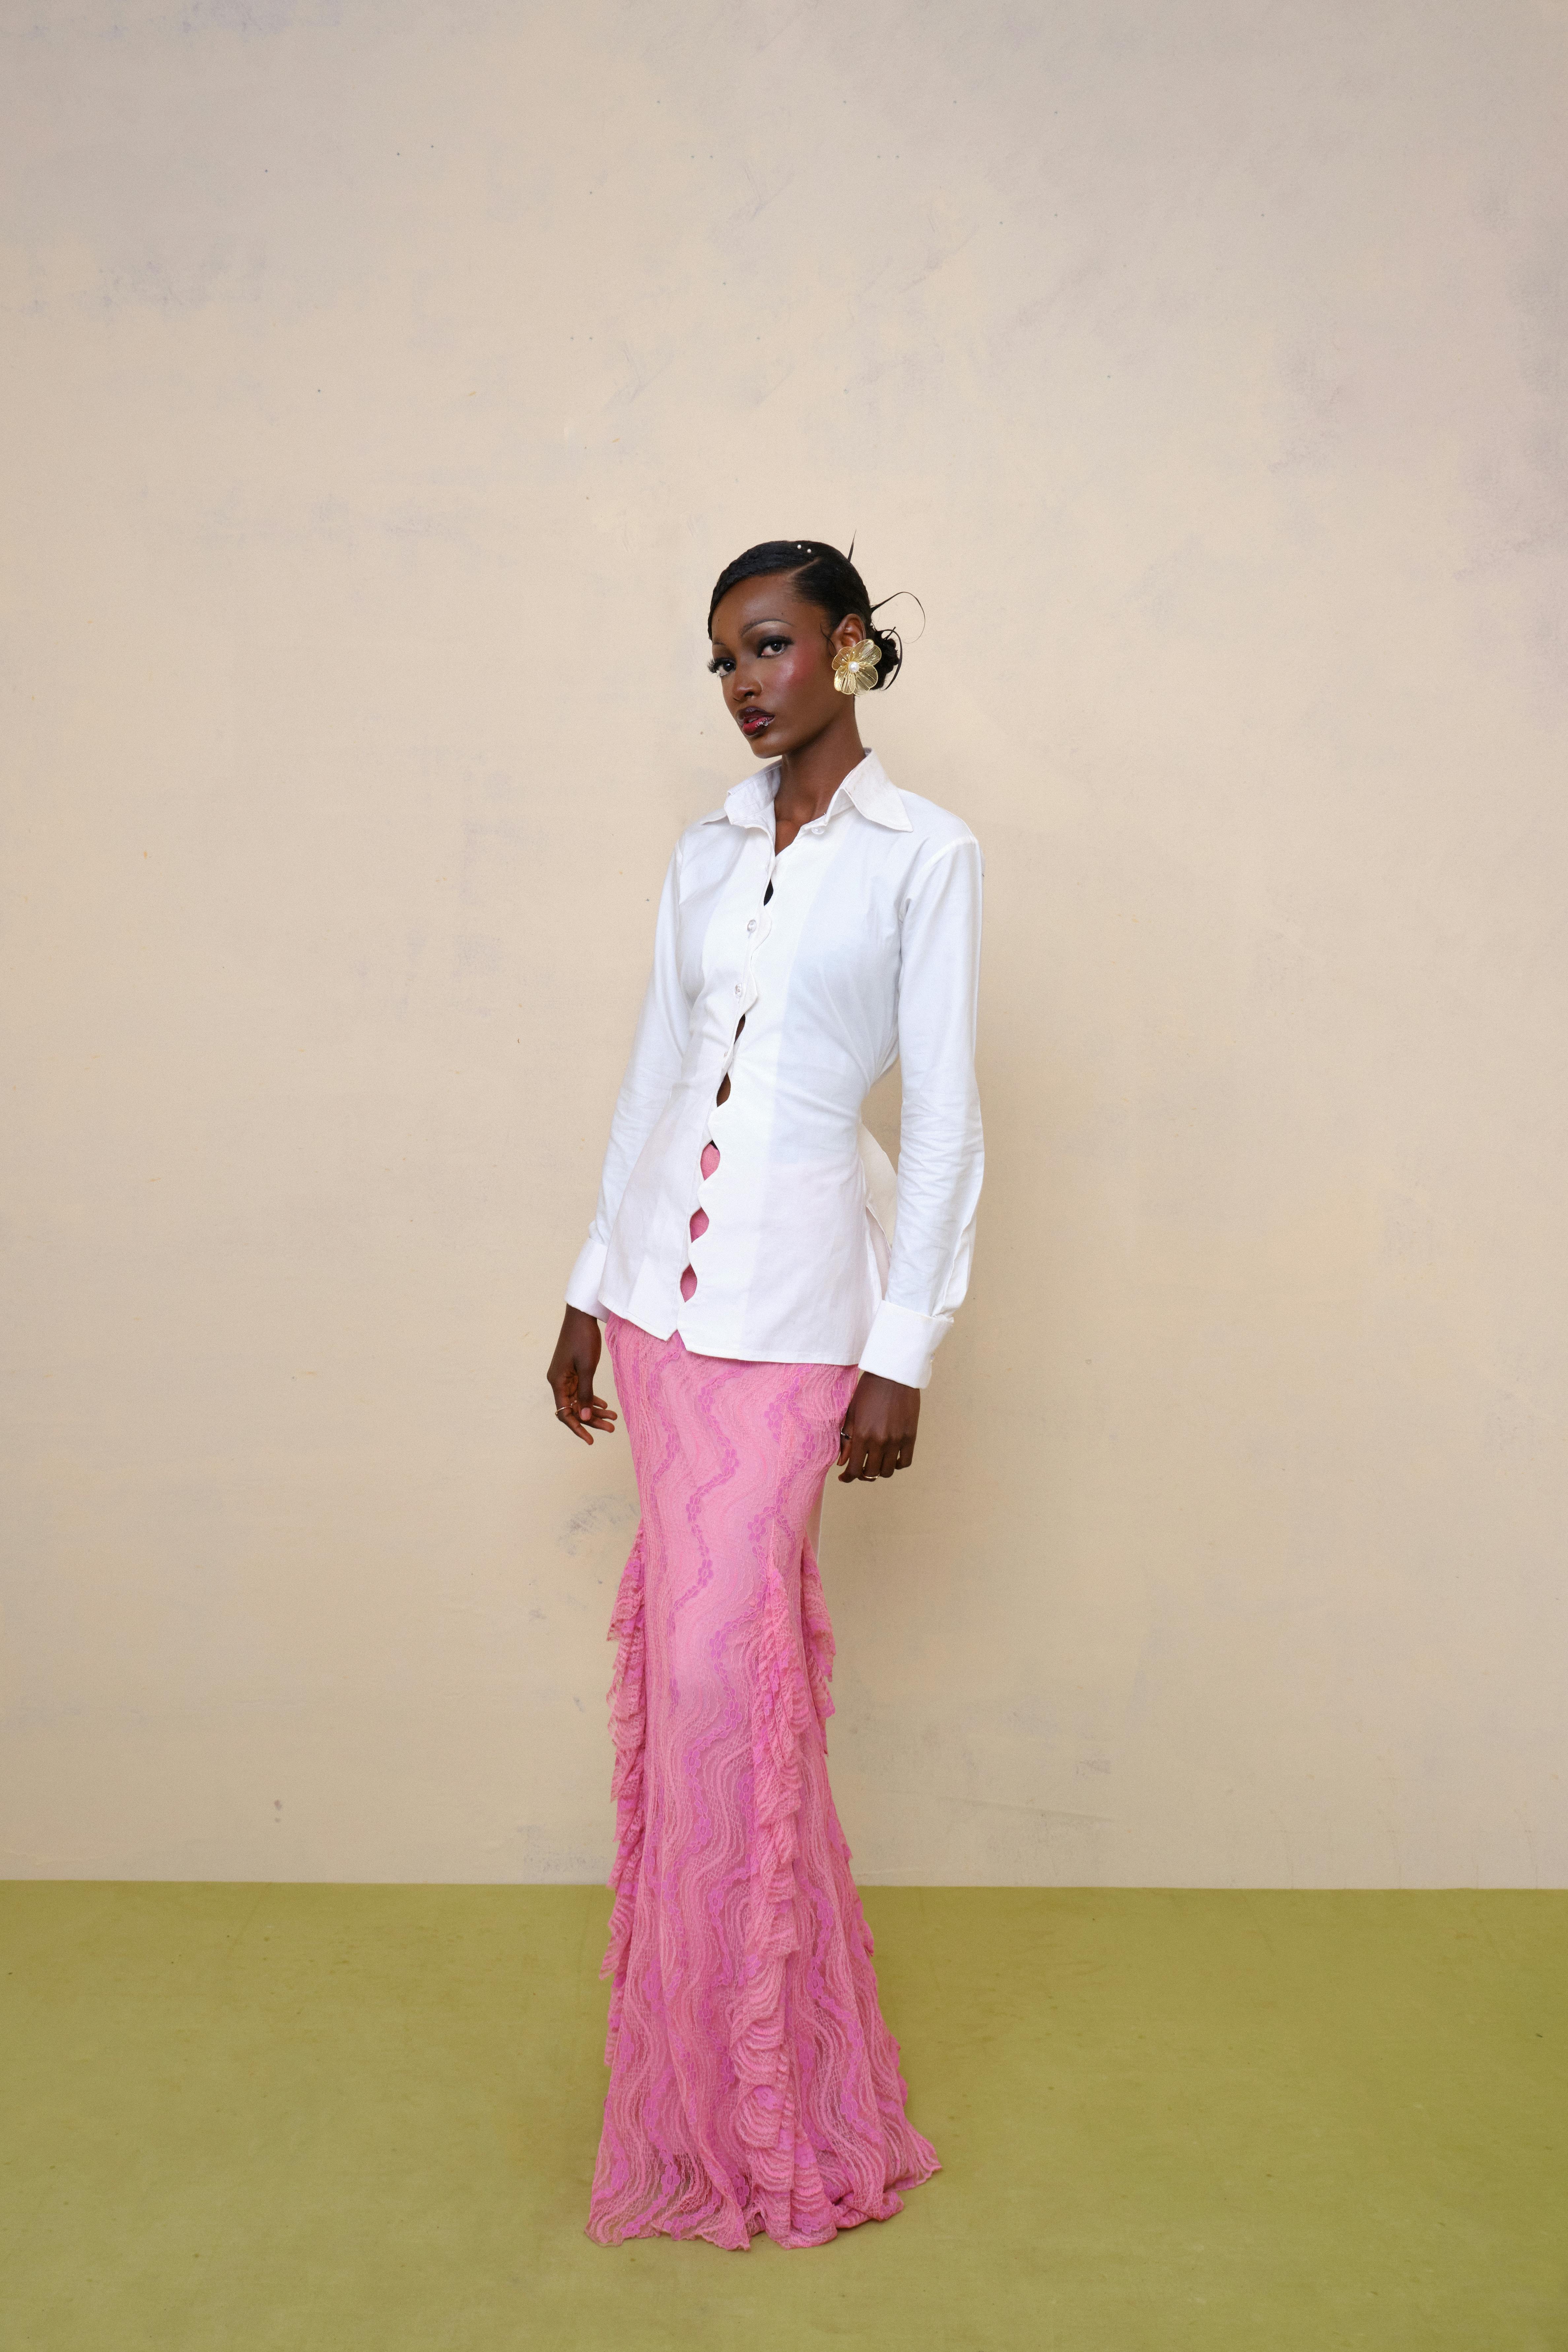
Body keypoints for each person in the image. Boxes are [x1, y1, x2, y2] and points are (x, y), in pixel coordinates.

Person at [547, 539, 983, 2250]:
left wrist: (905, 1348)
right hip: (660, 1304)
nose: (742, 682)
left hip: (803, 1313)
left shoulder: (927, 857)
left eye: (772, 645)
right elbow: (655, 1072)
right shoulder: (704, 854)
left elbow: (943, 1115)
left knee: (726, 1678)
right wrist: (588, 1289)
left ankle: (774, 2103)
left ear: (849, 649)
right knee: (700, 1688)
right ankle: (701, 2099)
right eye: (723, 657)